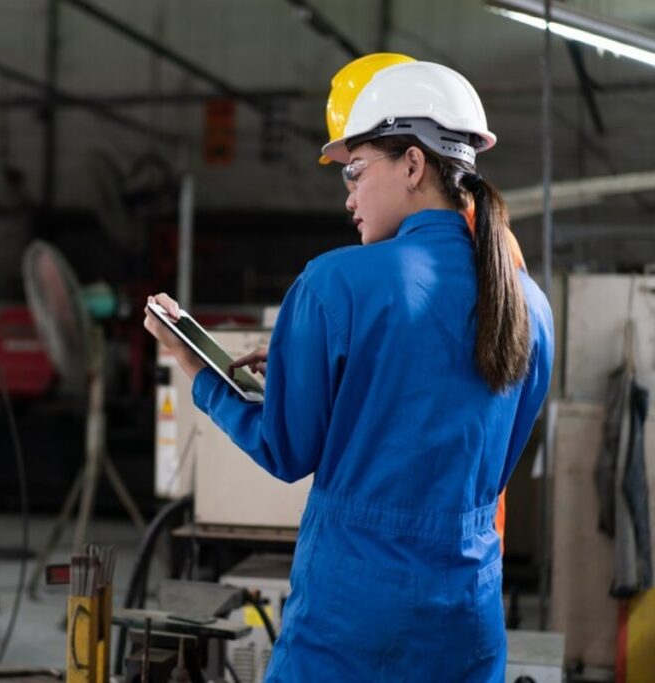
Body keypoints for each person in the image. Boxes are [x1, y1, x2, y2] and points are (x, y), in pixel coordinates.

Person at [143, 58, 554, 681]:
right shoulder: (529, 304)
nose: (349, 196)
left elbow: (285, 450)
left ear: (413, 164)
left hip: (352, 616)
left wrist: (196, 371)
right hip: (468, 613)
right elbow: (496, 464)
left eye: (357, 171)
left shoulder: (335, 282)